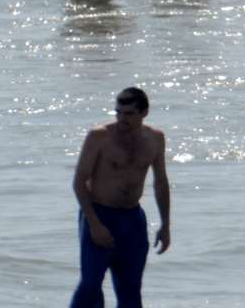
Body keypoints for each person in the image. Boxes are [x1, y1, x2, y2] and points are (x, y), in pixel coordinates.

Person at [71, 87, 171, 308]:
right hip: (99, 214)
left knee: (130, 289)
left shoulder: (155, 138)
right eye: (118, 113)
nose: (122, 119)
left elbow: (161, 182)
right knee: (90, 286)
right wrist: (94, 224)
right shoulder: (99, 136)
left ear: (144, 112)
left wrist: (165, 225)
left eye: (128, 114)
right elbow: (79, 183)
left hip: (132, 219)